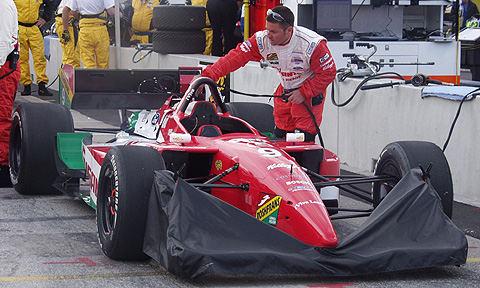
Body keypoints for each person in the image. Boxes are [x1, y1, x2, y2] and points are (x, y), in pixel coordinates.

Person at [195, 6, 336, 142]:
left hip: (308, 95)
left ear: (289, 31)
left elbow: (328, 72)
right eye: (267, 29)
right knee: (280, 138)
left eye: (274, 32)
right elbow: (234, 58)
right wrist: (207, 75)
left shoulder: (311, 44)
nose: (268, 34)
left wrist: (304, 92)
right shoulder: (261, 41)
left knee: (303, 143)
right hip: (285, 92)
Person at [13, 0, 56, 96]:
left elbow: (50, 4)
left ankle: (41, 85)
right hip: (20, 28)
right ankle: (26, 85)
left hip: (34, 28)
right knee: (22, 59)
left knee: (39, 57)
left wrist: (45, 18)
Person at [0, 0, 21, 186]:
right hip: (4, 66)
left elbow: (3, 42)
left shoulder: (3, 4)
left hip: (4, 68)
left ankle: (3, 168)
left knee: (2, 119)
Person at [69, 0, 121, 69]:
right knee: (103, 63)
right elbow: (111, 11)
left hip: (85, 30)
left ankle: (89, 79)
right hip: (100, 29)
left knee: (88, 63)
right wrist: (120, 14)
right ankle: (102, 79)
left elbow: (73, 12)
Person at [56, 0, 81, 68]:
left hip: (67, 24)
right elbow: (65, 10)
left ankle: (74, 75)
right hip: (66, 24)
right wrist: (66, 30)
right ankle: (68, 76)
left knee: (74, 53)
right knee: (70, 54)